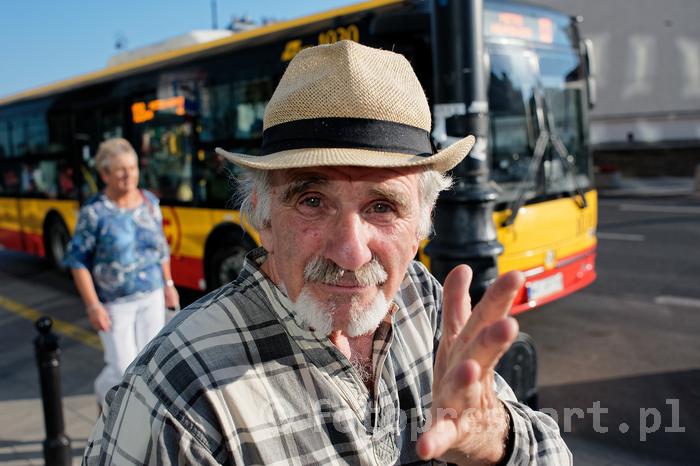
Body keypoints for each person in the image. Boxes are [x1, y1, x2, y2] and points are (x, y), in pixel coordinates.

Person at [83, 42, 571, 465]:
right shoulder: (180, 397)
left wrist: (490, 440)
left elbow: (553, 453)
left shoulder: (425, 300)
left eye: (382, 206)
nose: (351, 253)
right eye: (312, 201)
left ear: (422, 222)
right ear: (262, 213)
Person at [64, 137, 179, 409]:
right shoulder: (95, 212)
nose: (129, 175)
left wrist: (168, 284)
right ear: (104, 174)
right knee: (125, 370)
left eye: (133, 167)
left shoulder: (149, 201)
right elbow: (77, 261)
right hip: (115, 304)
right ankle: (104, 399)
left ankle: (139, 421)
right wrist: (93, 306)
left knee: (151, 364)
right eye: (120, 169)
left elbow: (160, 246)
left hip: (151, 295)